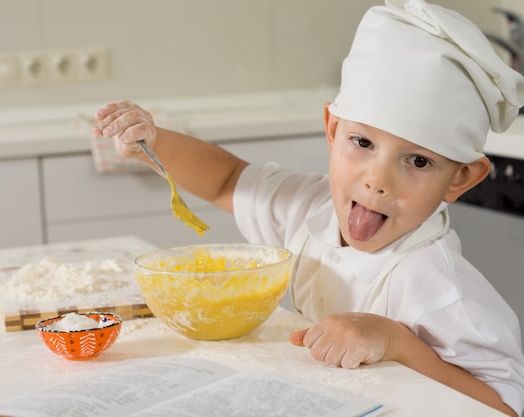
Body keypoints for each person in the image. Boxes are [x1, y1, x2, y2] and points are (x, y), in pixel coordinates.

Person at [92, 1, 524, 415]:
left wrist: (396, 342)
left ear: (461, 178)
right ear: (333, 131)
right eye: (363, 142)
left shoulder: (440, 290)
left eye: (418, 161)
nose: (377, 180)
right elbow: (226, 179)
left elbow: (504, 406)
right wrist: (156, 143)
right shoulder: (310, 209)